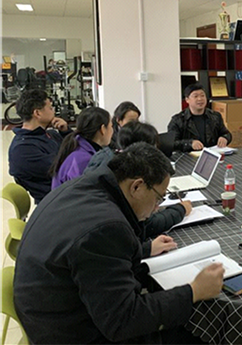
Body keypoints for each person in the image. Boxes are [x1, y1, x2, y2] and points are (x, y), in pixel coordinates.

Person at [14, 143, 224, 345]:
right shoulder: (106, 228)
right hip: (70, 334)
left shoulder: (86, 186)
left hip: (50, 313)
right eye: (159, 198)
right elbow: (122, 321)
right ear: (137, 186)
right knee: (201, 334)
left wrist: (143, 250)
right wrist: (193, 290)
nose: (156, 208)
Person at [85, 120, 193, 257]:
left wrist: (145, 249)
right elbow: (147, 225)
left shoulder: (106, 158)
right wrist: (180, 210)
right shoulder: (119, 187)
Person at [8, 89, 70, 204]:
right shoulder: (23, 149)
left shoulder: (50, 134)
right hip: (56, 203)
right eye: (50, 108)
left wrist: (66, 132)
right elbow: (65, 168)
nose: (53, 111)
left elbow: (76, 150)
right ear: (37, 113)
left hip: (68, 193)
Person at [50, 106, 113, 189]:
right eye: (111, 126)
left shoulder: (79, 149)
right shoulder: (83, 160)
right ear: (103, 129)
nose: (112, 131)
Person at [168, 82, 232, 152]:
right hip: (188, 156)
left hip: (212, 155)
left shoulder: (215, 116)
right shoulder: (178, 120)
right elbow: (172, 143)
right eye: (195, 96)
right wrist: (190, 143)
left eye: (202, 96)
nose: (200, 99)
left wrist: (224, 138)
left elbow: (226, 133)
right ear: (187, 100)